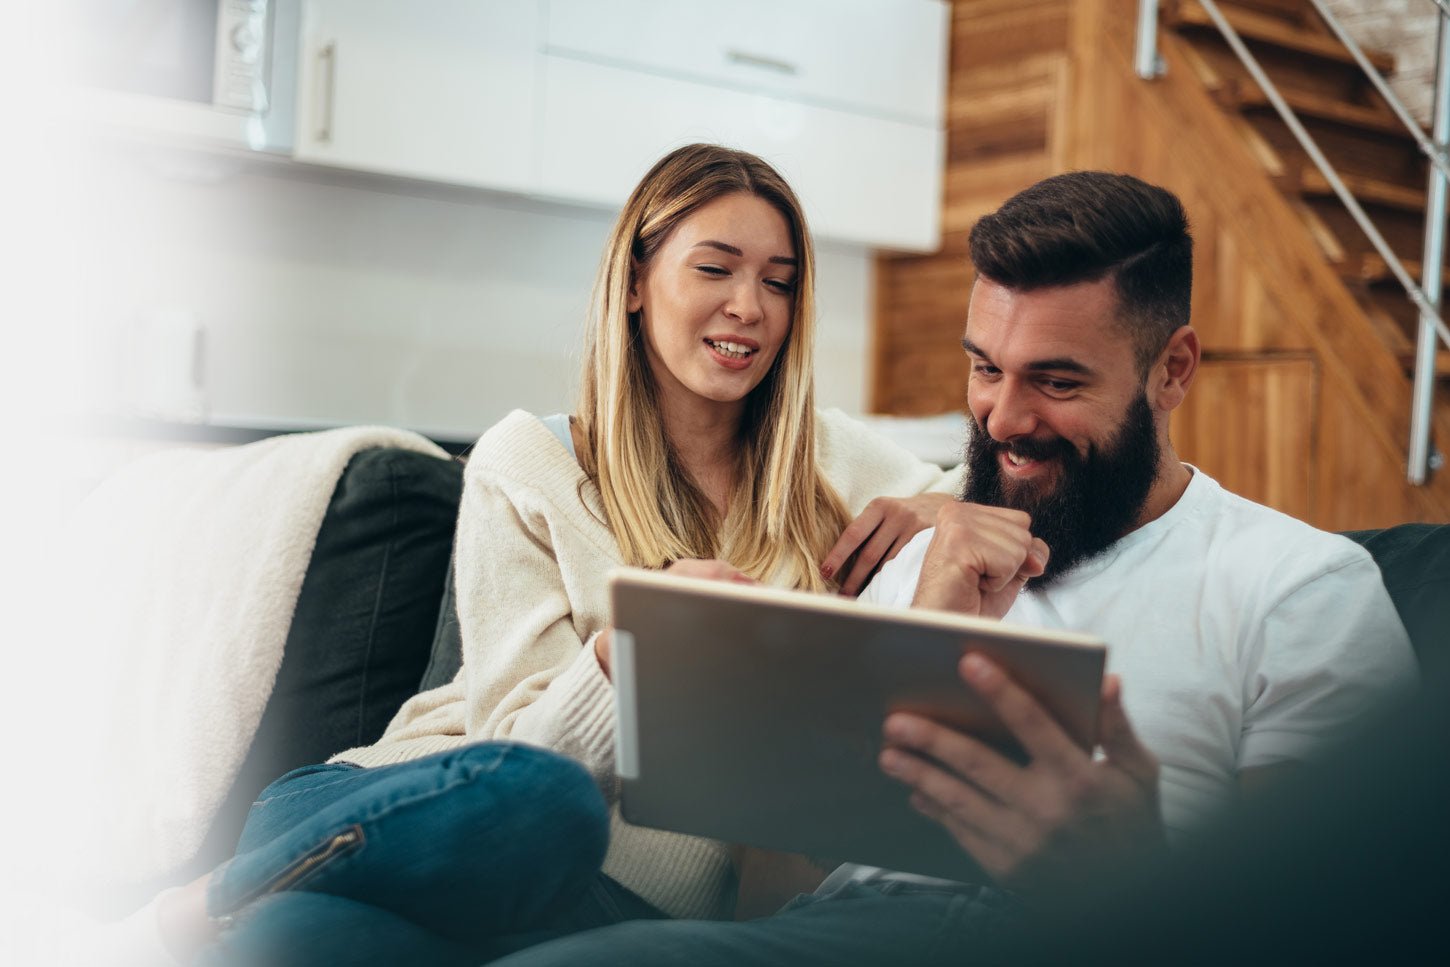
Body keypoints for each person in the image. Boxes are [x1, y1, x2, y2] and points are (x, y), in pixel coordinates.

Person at [487, 171, 1419, 967]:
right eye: (984, 368)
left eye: (1056, 381)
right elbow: (765, 897)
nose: (1004, 419)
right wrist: (914, 633)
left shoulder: (1302, 586)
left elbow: (1347, 919)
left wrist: (1134, 871)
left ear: (1171, 371)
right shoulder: (916, 563)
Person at [123, 143, 960, 967]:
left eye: (778, 282)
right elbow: (514, 756)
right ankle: (190, 909)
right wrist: (631, 648)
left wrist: (936, 505)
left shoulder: (830, 463)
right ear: (634, 283)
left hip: (602, 905)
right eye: (716, 269)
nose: (751, 305)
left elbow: (998, 493)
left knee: (296, 943)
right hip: (400, 813)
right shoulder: (528, 461)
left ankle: (229, 923)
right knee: (548, 803)